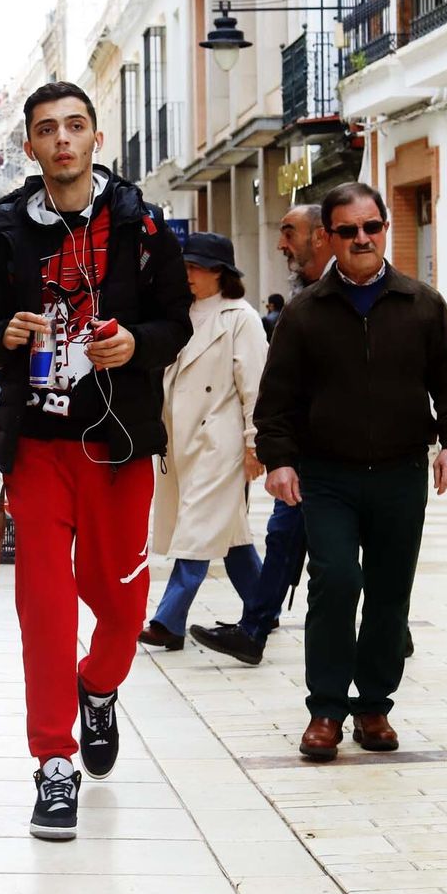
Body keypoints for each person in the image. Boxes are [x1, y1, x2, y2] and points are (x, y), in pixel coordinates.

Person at [0, 81, 191, 839]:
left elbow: (174, 323)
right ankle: (53, 763)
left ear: (96, 138)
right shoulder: (3, 232)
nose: (62, 139)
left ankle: (99, 686)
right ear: (29, 146)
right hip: (37, 446)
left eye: (76, 126)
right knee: (46, 609)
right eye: (47, 129)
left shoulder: (143, 225)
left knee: (122, 603)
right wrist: (11, 336)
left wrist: (135, 346)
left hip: (118, 446)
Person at [254, 182, 447, 762]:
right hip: (326, 477)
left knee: (388, 591)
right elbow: (274, 402)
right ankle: (326, 710)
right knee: (335, 582)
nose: (362, 239)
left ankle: (374, 705)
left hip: (401, 474)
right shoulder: (305, 312)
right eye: (349, 230)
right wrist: (279, 460)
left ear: (384, 231)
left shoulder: (422, 304)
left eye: (372, 227)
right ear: (328, 238)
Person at [192, 204, 328, 665]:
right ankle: (254, 629)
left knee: (338, 548)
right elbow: (279, 383)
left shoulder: (252, 315)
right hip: (307, 448)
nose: (279, 243)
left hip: (349, 451)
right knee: (284, 536)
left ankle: (389, 629)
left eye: (288, 232)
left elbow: (256, 380)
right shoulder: (304, 298)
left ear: (321, 236)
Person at [139, 232, 268, 650]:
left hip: (221, 442)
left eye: (196, 267)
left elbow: (255, 387)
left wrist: (255, 444)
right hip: (181, 441)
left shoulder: (240, 318)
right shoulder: (179, 315)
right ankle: (263, 606)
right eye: (185, 265)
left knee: (196, 530)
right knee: (230, 535)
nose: (188, 274)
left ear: (220, 273)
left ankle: (168, 622)